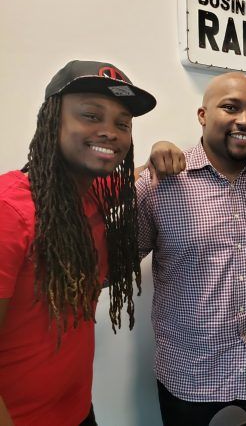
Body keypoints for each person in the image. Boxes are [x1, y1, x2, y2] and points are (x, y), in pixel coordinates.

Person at [136, 72, 246, 426]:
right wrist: (118, 180)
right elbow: (113, 265)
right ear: (203, 115)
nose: (245, 120)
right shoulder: (160, 183)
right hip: (190, 378)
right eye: (230, 107)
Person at [0, 60, 156, 425]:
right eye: (90, 115)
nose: (110, 132)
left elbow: (138, 175)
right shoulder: (9, 211)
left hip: (79, 412)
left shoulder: (95, 193)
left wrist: (161, 154)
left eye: (122, 124)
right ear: (52, 120)